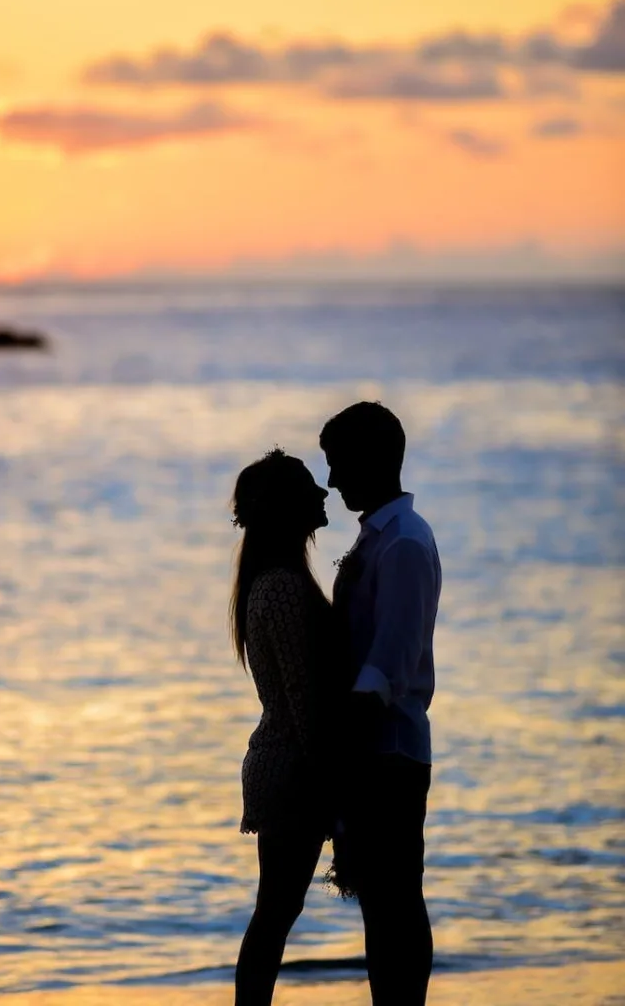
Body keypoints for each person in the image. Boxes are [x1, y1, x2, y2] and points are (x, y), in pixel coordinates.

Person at [320, 401, 441, 1006]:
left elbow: (388, 663)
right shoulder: (380, 537)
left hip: (388, 748)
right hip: (375, 747)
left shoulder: (404, 545)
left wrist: (340, 745)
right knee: (380, 896)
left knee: (396, 895)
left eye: (339, 463)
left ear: (372, 461)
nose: (333, 479)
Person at [230, 448, 335, 1006]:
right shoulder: (284, 589)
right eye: (309, 488)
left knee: (275, 911)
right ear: (287, 509)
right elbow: (304, 701)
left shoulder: (272, 582)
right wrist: (334, 786)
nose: (323, 494)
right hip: (291, 768)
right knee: (274, 914)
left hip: (283, 762)